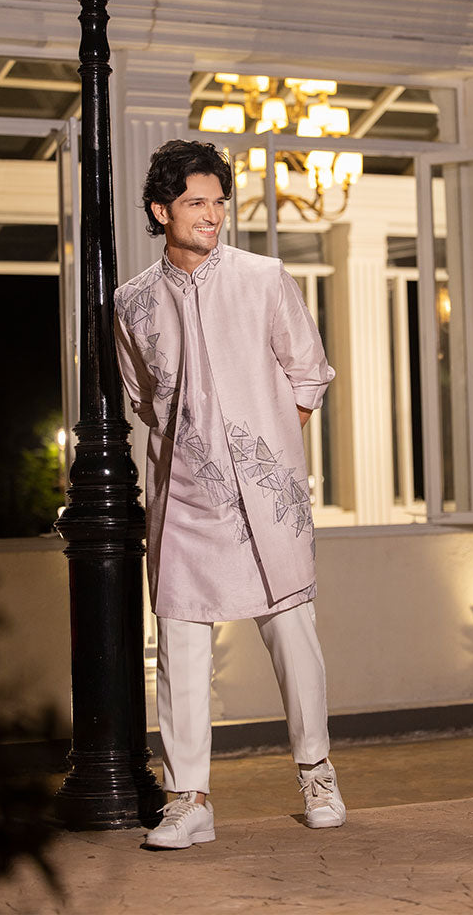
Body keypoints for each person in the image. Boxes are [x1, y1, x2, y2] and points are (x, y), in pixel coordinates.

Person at [113, 139, 346, 850]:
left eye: (219, 201)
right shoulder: (133, 301)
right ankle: (190, 800)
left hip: (264, 497)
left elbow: (309, 374)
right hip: (181, 498)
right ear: (162, 210)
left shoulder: (263, 278)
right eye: (197, 202)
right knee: (180, 642)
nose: (213, 215)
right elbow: (144, 398)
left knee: (292, 634)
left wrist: (266, 453)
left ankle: (317, 775)